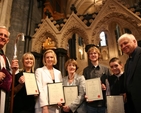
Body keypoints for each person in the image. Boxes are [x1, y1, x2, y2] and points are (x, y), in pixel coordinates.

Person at [118, 33, 141, 113]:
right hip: (133, 103)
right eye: (121, 45)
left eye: (125, 43)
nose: (123, 46)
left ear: (134, 41)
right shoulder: (128, 61)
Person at [83, 46, 110, 113]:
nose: (93, 55)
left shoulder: (105, 69)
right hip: (91, 104)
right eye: (91, 54)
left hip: (103, 103)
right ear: (89, 57)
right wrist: (86, 95)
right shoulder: (86, 70)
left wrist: (106, 86)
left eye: (95, 53)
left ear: (98, 55)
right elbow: (84, 85)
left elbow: (111, 83)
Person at [0, 26, 19, 113]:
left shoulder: (5, 58)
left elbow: (8, 79)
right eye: (0, 34)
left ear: (7, 41)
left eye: (5, 36)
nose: (3, 37)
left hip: (3, 95)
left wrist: (12, 70)